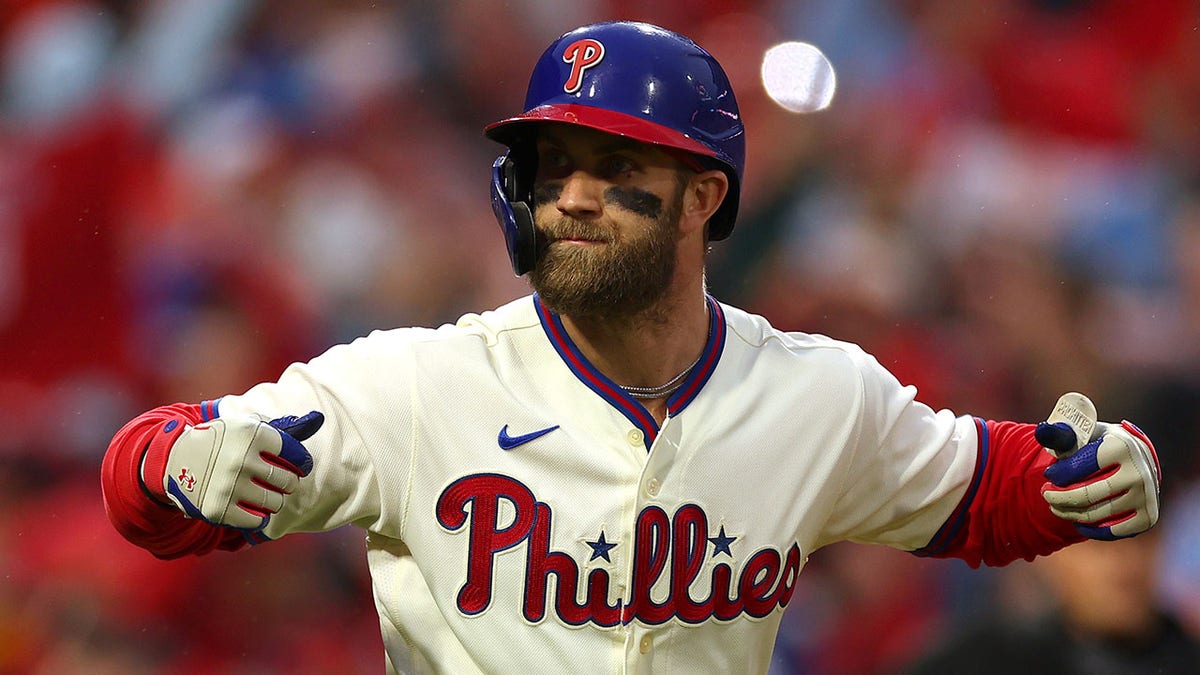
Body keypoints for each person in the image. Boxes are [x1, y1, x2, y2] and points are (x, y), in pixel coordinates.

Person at [100, 21, 1162, 674]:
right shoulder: (417, 386)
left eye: (613, 167)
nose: (570, 195)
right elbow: (152, 479)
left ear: (705, 197)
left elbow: (992, 491)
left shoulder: (818, 395)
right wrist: (169, 463)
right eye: (549, 163)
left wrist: (1110, 468)